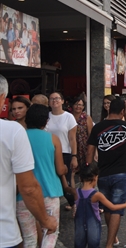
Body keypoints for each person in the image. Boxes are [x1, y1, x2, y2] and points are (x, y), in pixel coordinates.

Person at [1, 74, 58, 247]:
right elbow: (28, 187)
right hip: (4, 233)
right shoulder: (12, 131)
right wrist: (46, 220)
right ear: (3, 97)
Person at [16, 104, 67, 248]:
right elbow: (60, 169)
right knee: (51, 232)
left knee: (29, 239)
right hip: (49, 192)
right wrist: (65, 168)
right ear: (46, 120)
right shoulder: (53, 139)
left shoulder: (19, 138)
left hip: (23, 195)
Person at [86, 98, 126, 248]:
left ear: (109, 109)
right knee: (117, 206)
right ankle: (109, 243)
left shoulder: (98, 127)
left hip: (103, 173)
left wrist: (89, 171)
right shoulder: (125, 126)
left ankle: (112, 239)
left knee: (108, 206)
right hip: (120, 173)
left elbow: (90, 153)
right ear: (122, 111)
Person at [73, 163, 126, 248]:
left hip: (79, 226)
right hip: (93, 226)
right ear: (95, 178)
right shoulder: (97, 195)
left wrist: (69, 176)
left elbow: (66, 188)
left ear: (80, 178)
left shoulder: (76, 192)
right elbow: (112, 207)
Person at [46, 92, 77, 210]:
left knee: (66, 183)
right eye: (52, 99)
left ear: (63, 101)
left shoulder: (68, 117)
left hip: (65, 153)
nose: (54, 101)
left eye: (57, 98)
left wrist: (74, 156)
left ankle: (75, 204)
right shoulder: (46, 116)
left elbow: (72, 138)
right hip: (49, 154)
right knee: (52, 182)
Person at [71, 95, 93, 186]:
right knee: (71, 172)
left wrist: (92, 151)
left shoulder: (86, 118)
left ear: (83, 107)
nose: (78, 107)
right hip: (72, 147)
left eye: (80, 105)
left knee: (85, 171)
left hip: (84, 147)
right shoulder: (69, 117)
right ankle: (73, 194)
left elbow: (91, 134)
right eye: (76, 104)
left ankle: (85, 190)